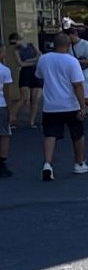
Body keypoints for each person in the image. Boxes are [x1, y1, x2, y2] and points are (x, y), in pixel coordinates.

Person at [36, 33, 88, 180]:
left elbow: (39, 76)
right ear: (68, 45)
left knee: (50, 135)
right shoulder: (72, 61)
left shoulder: (43, 59)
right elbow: (77, 85)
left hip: (51, 105)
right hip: (70, 104)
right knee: (77, 134)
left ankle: (47, 164)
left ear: (54, 44)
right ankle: (79, 163)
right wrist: (82, 106)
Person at [12, 33, 41, 129]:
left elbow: (39, 55)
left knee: (34, 98)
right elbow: (20, 64)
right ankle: (12, 117)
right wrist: (33, 61)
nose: (14, 44)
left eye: (15, 42)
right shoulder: (16, 50)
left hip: (35, 72)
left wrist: (27, 61)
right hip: (25, 73)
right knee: (24, 98)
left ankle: (31, 121)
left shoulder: (31, 45)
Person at [0, 38, 13, 176]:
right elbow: (7, 93)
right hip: (1, 105)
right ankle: (2, 163)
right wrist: (11, 111)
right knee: (4, 134)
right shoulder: (5, 71)